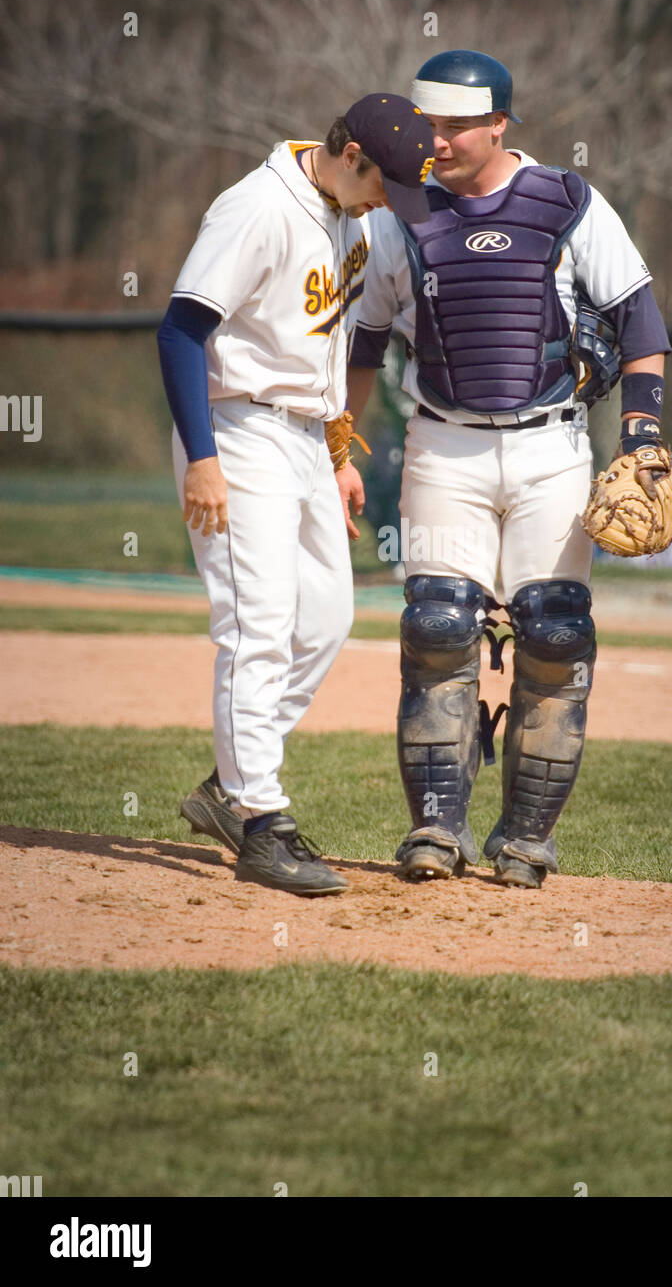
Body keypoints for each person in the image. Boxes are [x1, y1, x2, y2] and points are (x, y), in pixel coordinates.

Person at [344, 50, 672, 889]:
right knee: (437, 630)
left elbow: (640, 323)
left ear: (500, 124)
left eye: (458, 125)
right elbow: (367, 338)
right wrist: (339, 444)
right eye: (430, 125)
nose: (440, 140)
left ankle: (527, 837)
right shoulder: (400, 211)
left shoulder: (566, 202)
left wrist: (642, 439)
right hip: (442, 444)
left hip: (551, 447)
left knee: (556, 639)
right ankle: (435, 828)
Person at [157, 95, 435, 896]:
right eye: (385, 183)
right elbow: (180, 331)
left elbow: (330, 342)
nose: (391, 203)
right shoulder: (256, 209)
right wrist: (203, 459)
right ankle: (260, 823)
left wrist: (338, 451)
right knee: (258, 625)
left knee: (326, 617)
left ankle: (226, 788)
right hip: (236, 430)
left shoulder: (350, 209)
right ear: (350, 157)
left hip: (307, 439)